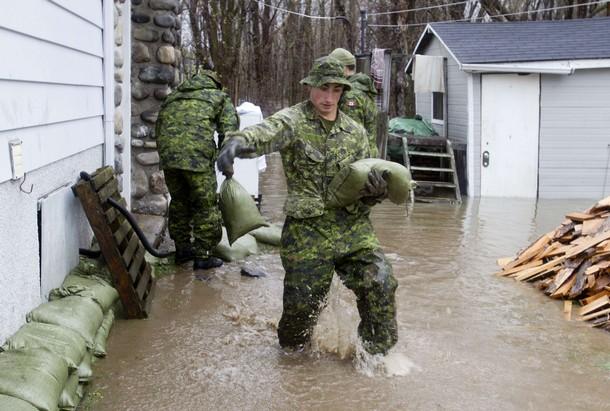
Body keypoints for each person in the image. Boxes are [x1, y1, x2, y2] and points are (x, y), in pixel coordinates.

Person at [217, 56, 398, 355]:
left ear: (343, 91)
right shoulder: (294, 121)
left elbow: (371, 174)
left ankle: (374, 358)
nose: (328, 98)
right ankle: (293, 362)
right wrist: (236, 144)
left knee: (381, 280)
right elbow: (265, 133)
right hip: (308, 233)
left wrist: (377, 190)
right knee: (301, 309)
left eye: (336, 90)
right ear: (310, 87)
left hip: (353, 229)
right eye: (323, 89)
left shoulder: (356, 133)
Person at [155, 65, 239, 270]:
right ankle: (203, 255)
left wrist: (167, 157)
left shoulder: (174, 97)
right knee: (205, 205)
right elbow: (229, 133)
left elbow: (159, 128)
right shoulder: (218, 97)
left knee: (179, 201)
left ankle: (183, 250)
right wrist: (227, 165)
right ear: (216, 82)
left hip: (169, 158)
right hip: (197, 159)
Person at [329, 47, 379, 157]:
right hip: (367, 155)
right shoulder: (361, 88)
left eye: (333, 67)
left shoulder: (351, 96)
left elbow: (350, 136)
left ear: (342, 68)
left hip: (358, 160)